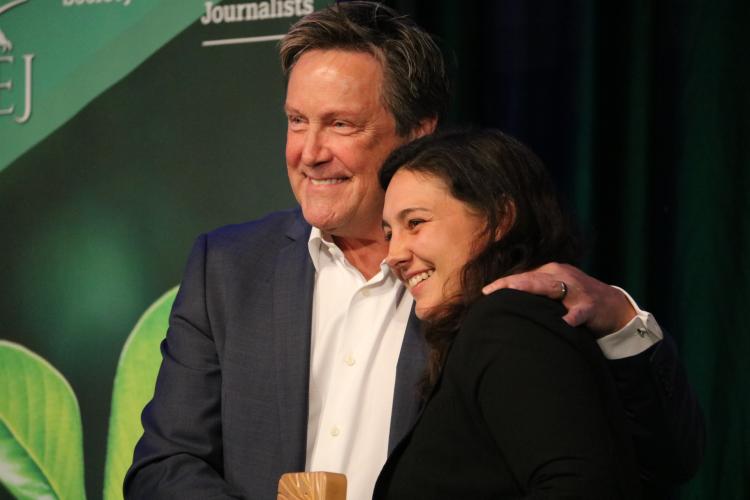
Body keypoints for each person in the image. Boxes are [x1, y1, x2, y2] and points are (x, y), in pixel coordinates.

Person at [124, 3, 703, 499]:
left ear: (419, 131)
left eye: (341, 124)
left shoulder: (492, 280)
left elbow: (659, 459)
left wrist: (622, 321)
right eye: (297, 121)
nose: (310, 151)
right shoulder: (227, 266)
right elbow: (165, 466)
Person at [375, 128, 641, 499]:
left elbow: (579, 485)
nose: (393, 255)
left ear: (499, 219)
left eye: (415, 223)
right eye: (389, 233)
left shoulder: (508, 323)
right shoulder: (495, 328)